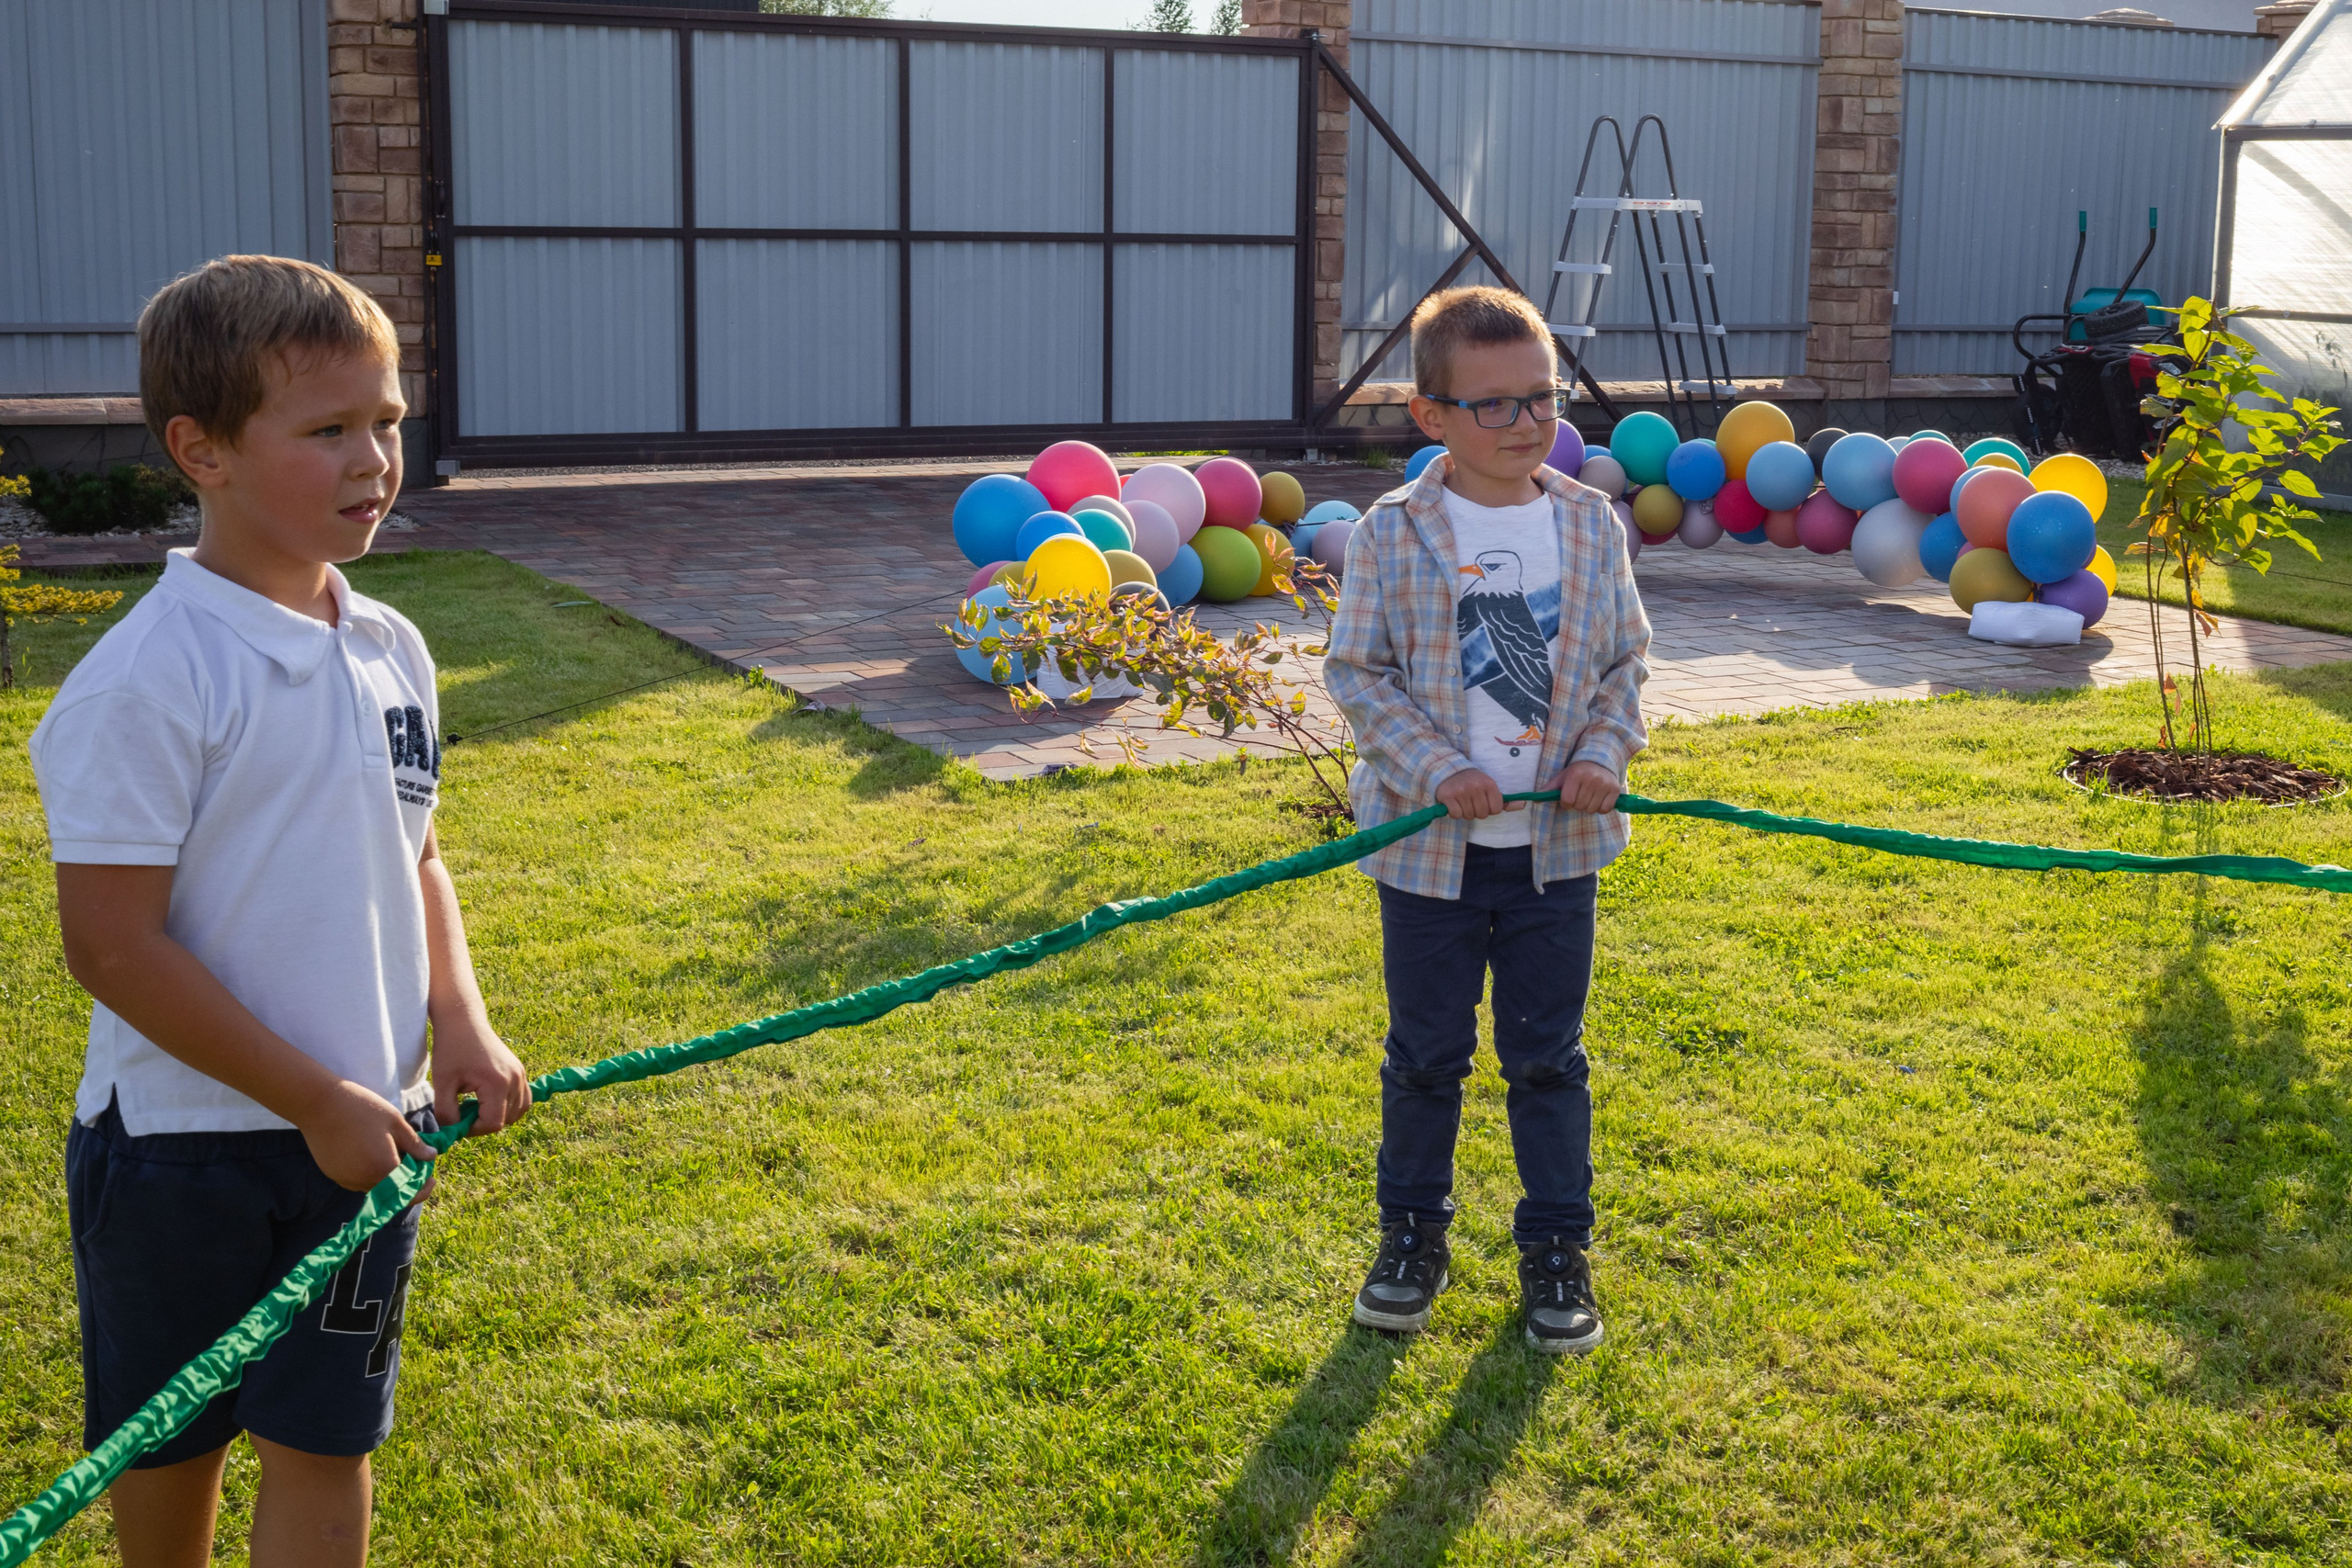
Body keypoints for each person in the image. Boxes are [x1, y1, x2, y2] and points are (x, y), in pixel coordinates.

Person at [28, 255, 534, 1567]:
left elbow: (416, 852)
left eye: (388, 421)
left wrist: (460, 1023)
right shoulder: (150, 676)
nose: (375, 458)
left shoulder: (391, 646)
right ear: (201, 449)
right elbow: (111, 942)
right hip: (181, 1154)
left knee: (328, 1441)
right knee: (171, 1441)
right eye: (328, 430)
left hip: (368, 1133)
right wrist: (308, 1096)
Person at [1324, 285, 1649, 1354]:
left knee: (1547, 1057)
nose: (1523, 427)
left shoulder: (1589, 525)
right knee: (1425, 1054)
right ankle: (1411, 1236)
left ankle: (1557, 1246)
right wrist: (1435, 767)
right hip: (1431, 861)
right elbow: (1361, 675)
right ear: (1429, 417)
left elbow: (1621, 664)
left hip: (1557, 857)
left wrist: (1603, 752)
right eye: (1492, 406)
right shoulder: (1392, 533)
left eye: (1540, 401)